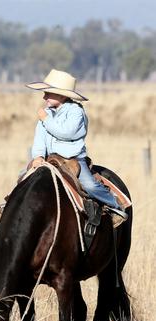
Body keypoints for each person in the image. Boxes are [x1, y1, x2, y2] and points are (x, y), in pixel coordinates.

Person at [24, 69, 127, 220]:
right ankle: (10, 206)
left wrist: (46, 119)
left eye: (48, 93)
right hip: (49, 158)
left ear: (61, 95)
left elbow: (66, 132)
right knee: (24, 176)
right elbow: (40, 137)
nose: (44, 96)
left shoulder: (76, 112)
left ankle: (115, 206)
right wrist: (38, 156)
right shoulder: (48, 112)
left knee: (89, 185)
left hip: (73, 159)